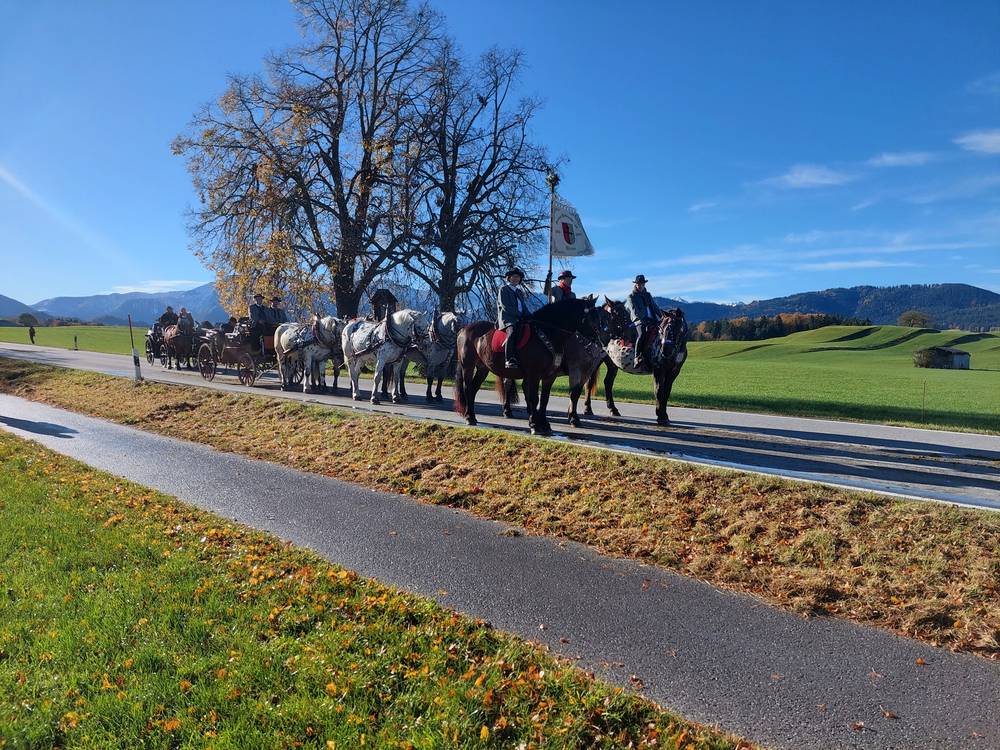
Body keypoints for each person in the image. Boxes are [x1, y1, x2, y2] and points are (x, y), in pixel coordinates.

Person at [625, 274, 660, 370]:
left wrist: (663, 316)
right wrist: (644, 319)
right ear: (636, 284)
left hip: (652, 319)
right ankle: (636, 357)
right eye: (639, 284)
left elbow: (655, 307)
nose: (641, 286)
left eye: (642, 284)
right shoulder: (631, 297)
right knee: (642, 335)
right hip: (639, 321)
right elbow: (634, 311)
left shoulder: (648, 295)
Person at [497, 267, 529, 370]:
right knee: (512, 332)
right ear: (509, 278)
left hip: (519, 319)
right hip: (508, 319)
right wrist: (519, 315)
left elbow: (523, 306)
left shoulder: (519, 291)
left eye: (518, 277)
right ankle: (509, 359)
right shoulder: (504, 289)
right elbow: (505, 306)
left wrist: (530, 316)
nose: (516, 279)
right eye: (514, 276)